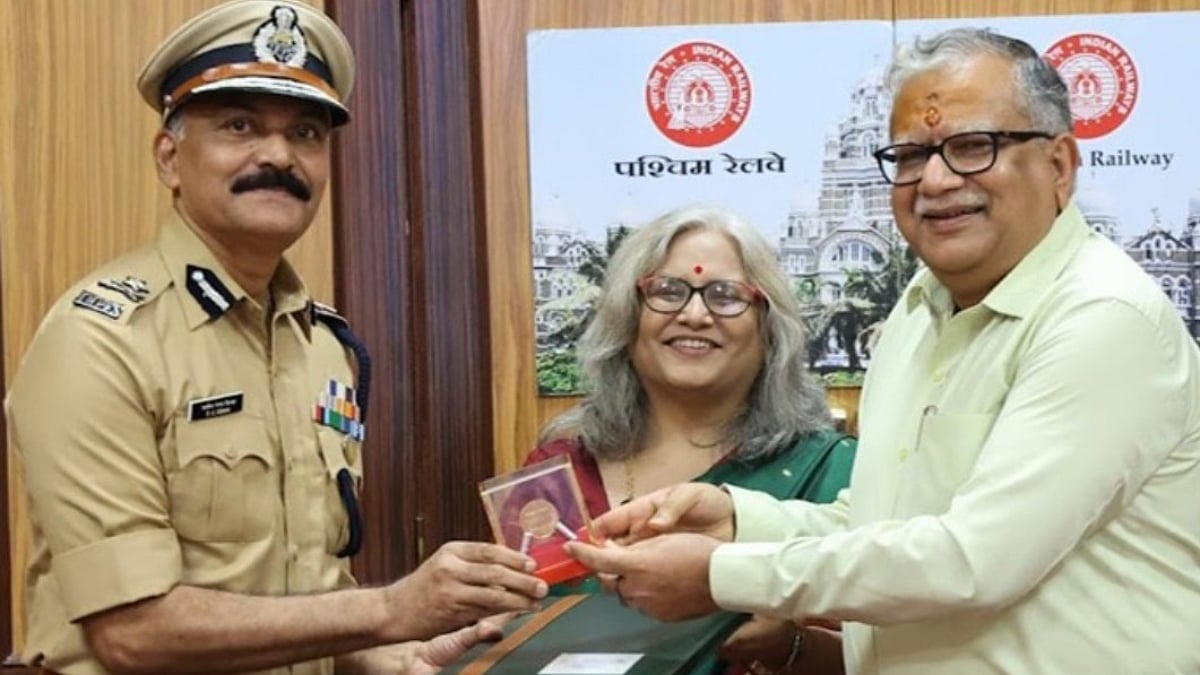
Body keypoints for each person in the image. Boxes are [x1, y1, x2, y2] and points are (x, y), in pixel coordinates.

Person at [567, 27, 1200, 674]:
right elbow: (889, 518)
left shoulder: (1101, 316)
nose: (935, 179)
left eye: (972, 147)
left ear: (1059, 164)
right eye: (909, 155)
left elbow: (972, 560)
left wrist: (722, 573)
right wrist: (738, 517)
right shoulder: (919, 310)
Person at [4, 2, 546, 673]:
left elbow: (293, 596)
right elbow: (133, 630)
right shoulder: (100, 340)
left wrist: (383, 655)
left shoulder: (320, 343)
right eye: (240, 126)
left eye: (307, 133)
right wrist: (390, 609)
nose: (279, 156)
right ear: (170, 157)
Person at [526, 205, 854, 674]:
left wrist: (789, 645)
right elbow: (511, 632)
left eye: (725, 296)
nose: (695, 314)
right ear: (628, 318)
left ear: (768, 327)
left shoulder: (830, 473)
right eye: (667, 291)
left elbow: (896, 653)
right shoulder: (557, 473)